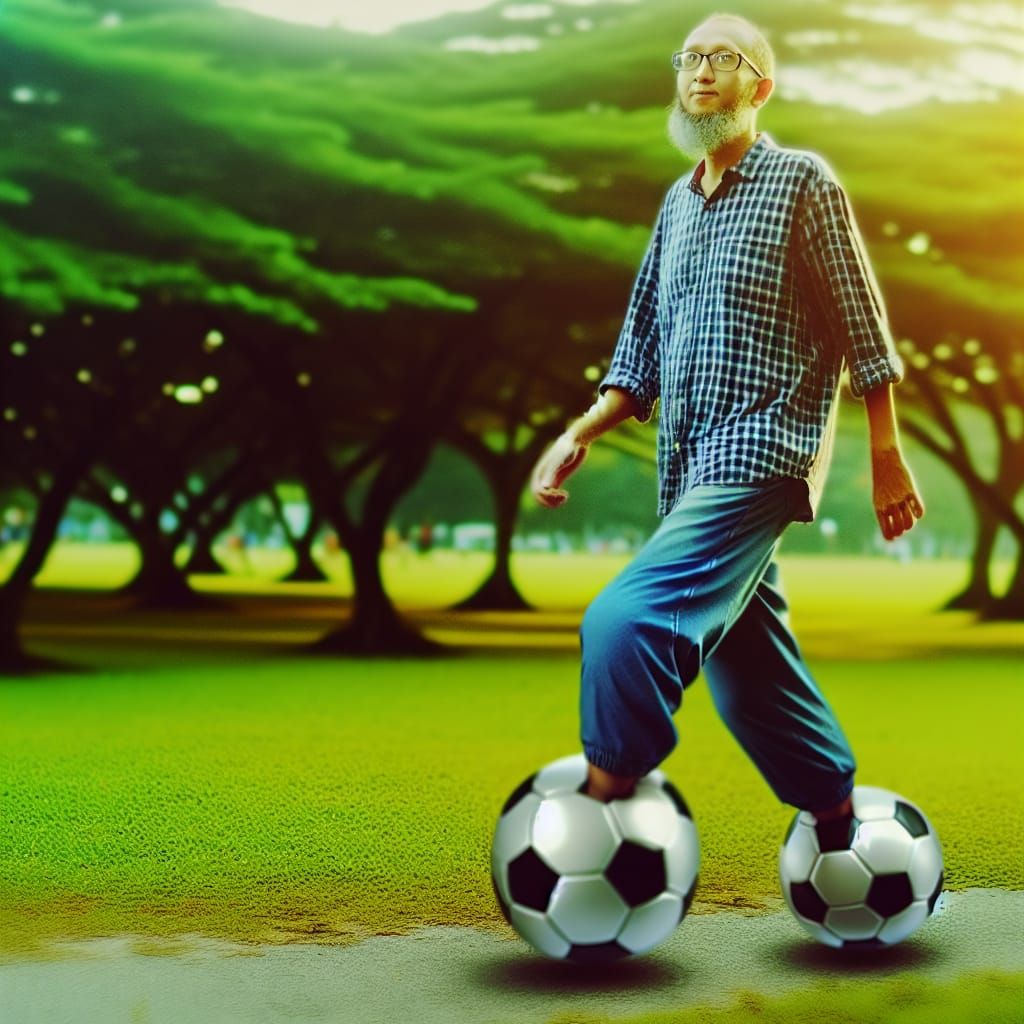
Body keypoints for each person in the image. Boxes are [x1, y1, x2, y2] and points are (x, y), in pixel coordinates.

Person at [529, 12, 925, 846]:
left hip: (764, 452)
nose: (701, 70)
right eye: (690, 58)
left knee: (623, 624)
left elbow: (861, 326)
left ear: (760, 86)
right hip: (690, 470)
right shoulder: (676, 205)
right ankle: (839, 820)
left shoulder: (802, 182)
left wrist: (887, 456)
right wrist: (582, 431)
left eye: (724, 58)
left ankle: (603, 811)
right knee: (753, 678)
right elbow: (640, 348)